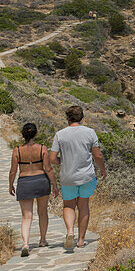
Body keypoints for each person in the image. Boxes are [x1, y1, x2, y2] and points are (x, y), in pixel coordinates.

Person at [49, 105, 106, 250]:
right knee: (83, 206)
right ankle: (81, 240)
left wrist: (63, 161)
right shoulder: (90, 132)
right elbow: (97, 155)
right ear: (81, 118)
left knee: (68, 205)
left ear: (67, 118)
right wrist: (103, 170)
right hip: (86, 176)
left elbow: (52, 158)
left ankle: (69, 232)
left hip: (68, 177)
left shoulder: (60, 135)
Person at [8, 122, 58, 257]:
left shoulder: (17, 150)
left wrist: (10, 184)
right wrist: (55, 184)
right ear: (36, 134)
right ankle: (42, 240)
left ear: (23, 135)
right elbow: (48, 169)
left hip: (25, 182)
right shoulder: (42, 149)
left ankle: (25, 243)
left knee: (26, 216)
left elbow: (13, 171)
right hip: (41, 181)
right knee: (42, 212)